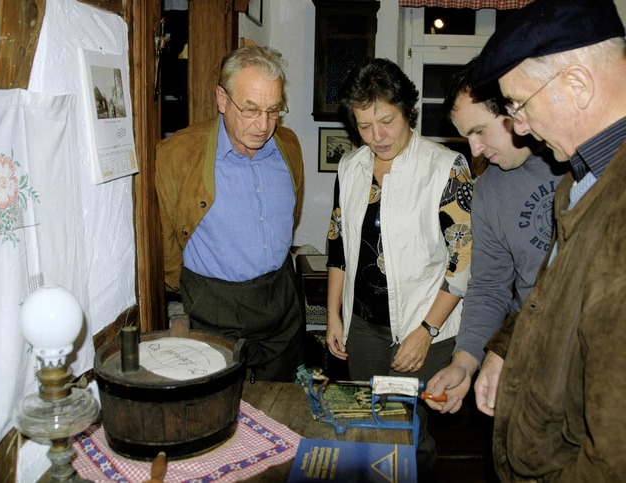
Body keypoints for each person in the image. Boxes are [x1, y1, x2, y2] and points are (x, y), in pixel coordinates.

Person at [470, 0, 626, 479]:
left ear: (576, 85)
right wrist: (504, 348)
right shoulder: (579, 181)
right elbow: (554, 299)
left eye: (518, 104)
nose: (518, 126)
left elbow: (613, 456)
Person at [325, 57, 473, 480]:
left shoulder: (446, 167)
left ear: (408, 109)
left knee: (411, 430)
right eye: (365, 126)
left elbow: (461, 263)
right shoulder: (350, 167)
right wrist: (335, 316)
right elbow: (339, 247)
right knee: (369, 426)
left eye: (387, 121)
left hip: (425, 327)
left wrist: (425, 332)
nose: (378, 136)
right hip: (365, 329)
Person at [155, 45, 305, 382]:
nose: (263, 124)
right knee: (219, 415)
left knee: (280, 413)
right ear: (222, 99)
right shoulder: (176, 155)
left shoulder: (289, 146)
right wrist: (192, 290)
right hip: (213, 310)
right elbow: (164, 241)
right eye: (250, 109)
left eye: (273, 110)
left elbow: (289, 217)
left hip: (281, 305)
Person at [425, 59, 568, 414]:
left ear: (513, 109)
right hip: (527, 357)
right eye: (465, 136)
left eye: (480, 131)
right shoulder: (488, 190)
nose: (474, 150)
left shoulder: (580, 161)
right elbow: (489, 287)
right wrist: (465, 360)